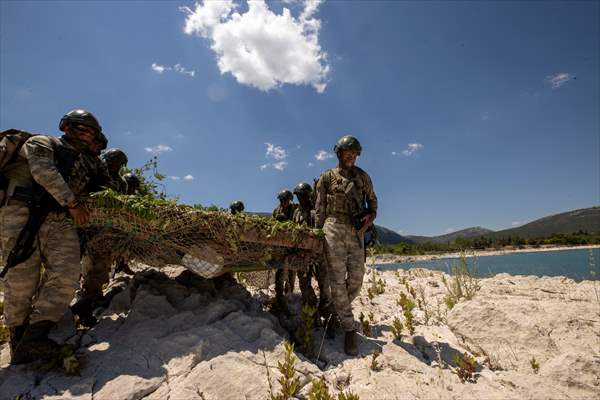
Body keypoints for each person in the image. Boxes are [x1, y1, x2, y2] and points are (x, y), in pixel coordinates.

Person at [0, 109, 102, 364]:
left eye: (91, 132)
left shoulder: (85, 163)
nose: (87, 135)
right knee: (21, 281)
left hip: (60, 220)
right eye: (82, 128)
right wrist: (72, 203)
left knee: (67, 276)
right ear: (66, 127)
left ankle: (36, 337)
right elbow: (42, 171)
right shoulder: (42, 142)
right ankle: (19, 340)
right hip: (20, 214)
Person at [314, 135, 378, 356]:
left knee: (356, 280)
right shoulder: (326, 178)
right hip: (332, 228)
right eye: (347, 153)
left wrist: (369, 219)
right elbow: (320, 208)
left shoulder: (362, 177)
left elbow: (373, 201)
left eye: (354, 153)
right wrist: (317, 235)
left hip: (355, 230)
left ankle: (332, 310)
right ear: (339, 153)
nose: (351, 156)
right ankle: (349, 328)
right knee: (336, 280)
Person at [74, 148, 131, 326]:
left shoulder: (121, 183)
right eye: (112, 160)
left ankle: (88, 302)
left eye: (118, 162)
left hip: (104, 230)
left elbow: (124, 204)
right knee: (71, 266)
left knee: (99, 267)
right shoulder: (93, 172)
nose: (114, 164)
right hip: (82, 225)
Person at [292, 182, 334, 334]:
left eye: (302, 196)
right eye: (298, 196)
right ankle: (312, 316)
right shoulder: (296, 212)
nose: (300, 199)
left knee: (325, 287)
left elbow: (322, 232)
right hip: (302, 256)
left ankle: (329, 318)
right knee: (305, 286)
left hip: (319, 255)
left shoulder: (315, 211)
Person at [272, 189, 297, 311]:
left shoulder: (295, 210)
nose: (282, 203)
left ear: (289, 200)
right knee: (280, 271)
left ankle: (289, 294)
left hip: (293, 246)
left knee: (291, 272)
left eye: (284, 200)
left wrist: (287, 222)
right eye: (281, 200)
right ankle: (279, 295)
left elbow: (298, 225)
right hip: (280, 246)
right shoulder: (276, 211)